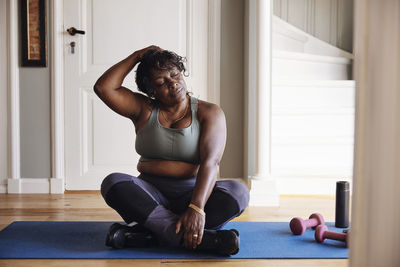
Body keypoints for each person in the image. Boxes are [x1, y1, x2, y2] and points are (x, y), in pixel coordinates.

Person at [94, 45, 249, 255]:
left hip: (196, 194)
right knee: (113, 183)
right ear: (151, 90)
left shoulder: (209, 112)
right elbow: (104, 88)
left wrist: (196, 208)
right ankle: (203, 240)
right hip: (151, 195)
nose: (173, 83)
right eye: (161, 82)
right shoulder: (143, 109)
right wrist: (137, 56)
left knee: (239, 192)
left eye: (175, 74)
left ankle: (149, 235)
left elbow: (210, 162)